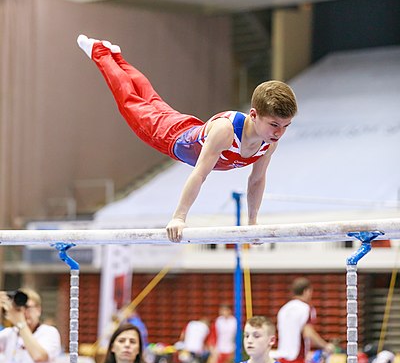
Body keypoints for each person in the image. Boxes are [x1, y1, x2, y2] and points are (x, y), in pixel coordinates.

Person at [77, 35, 298, 242]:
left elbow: (256, 180)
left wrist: (252, 223)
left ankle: (116, 56)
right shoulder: (226, 131)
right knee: (131, 100)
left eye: (285, 126)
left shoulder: (269, 142)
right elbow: (200, 174)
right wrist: (179, 217)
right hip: (169, 137)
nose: (279, 133)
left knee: (149, 97)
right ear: (253, 115)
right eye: (274, 125)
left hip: (188, 128)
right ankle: (100, 52)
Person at [276, 277, 339, 363]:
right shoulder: (306, 308)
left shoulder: (283, 310)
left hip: (281, 361)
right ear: (306, 291)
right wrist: (326, 346)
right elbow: (308, 333)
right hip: (298, 360)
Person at [0, 287, 62, 363]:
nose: (23, 313)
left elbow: (38, 356)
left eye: (27, 307)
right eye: (18, 308)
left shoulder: (48, 333)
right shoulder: (10, 334)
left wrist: (20, 323)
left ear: (38, 310)